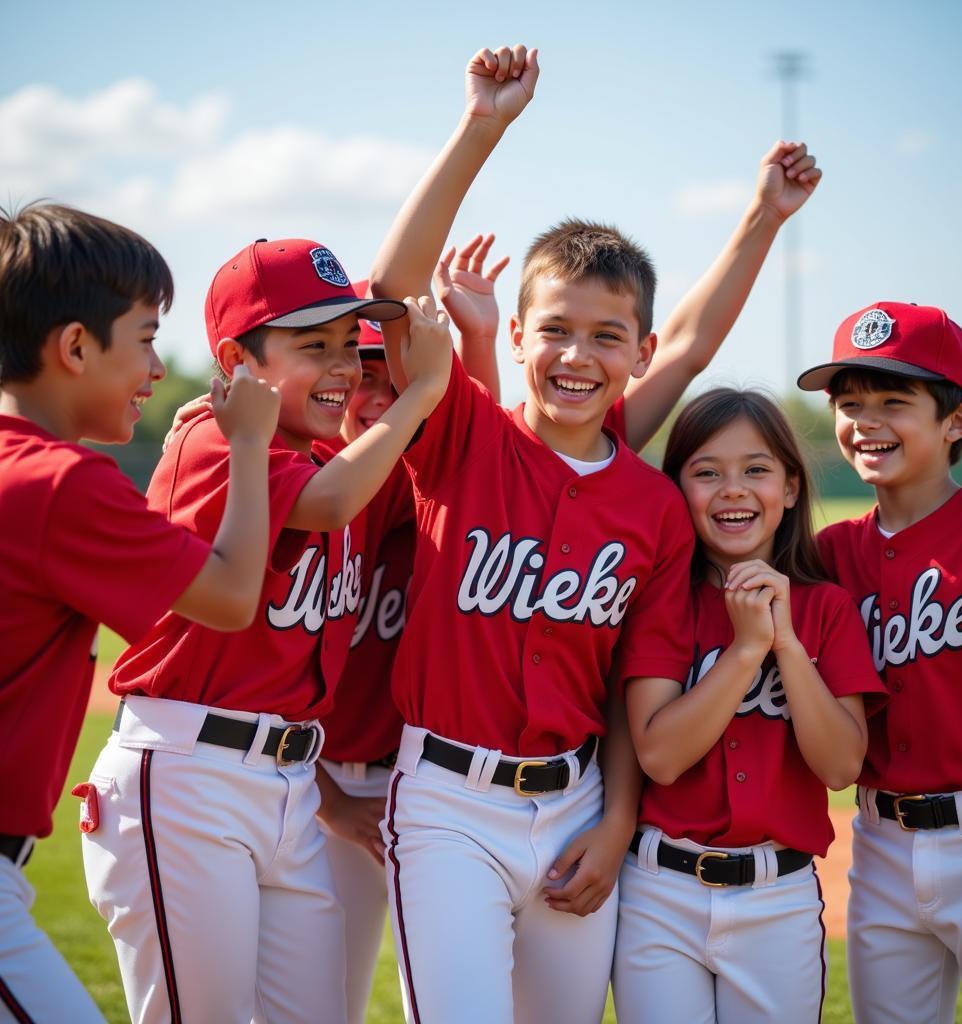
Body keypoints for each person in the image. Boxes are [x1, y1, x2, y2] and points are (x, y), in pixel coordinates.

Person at [369, 45, 697, 1023]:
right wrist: (482, 127)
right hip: (444, 807)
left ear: (640, 353)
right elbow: (389, 295)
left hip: (574, 809)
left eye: (606, 335)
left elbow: (640, 689)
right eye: (555, 327)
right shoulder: (464, 430)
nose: (576, 354)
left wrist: (617, 824)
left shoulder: (655, 508)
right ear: (515, 336)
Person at [80, 235, 452, 1024]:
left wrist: (481, 128)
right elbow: (324, 504)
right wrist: (420, 394)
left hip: (284, 787)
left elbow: (396, 281)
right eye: (314, 346)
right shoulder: (218, 436)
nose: (346, 365)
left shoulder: (332, 460)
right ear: (237, 360)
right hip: (189, 775)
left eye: (352, 345)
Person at [0, 203, 280, 1022]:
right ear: (76, 347)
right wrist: (252, 444)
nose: (158, 367)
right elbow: (230, 599)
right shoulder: (60, 483)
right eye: (147, 337)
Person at [613, 387, 884, 1022]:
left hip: (778, 898)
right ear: (677, 490)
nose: (733, 489)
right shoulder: (659, 604)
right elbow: (659, 756)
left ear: (790, 488)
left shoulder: (825, 608)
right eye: (707, 473)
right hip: (660, 892)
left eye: (756, 470)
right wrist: (743, 652)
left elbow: (842, 765)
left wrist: (785, 642)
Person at [799, 301, 962, 1022]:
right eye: (850, 402)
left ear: (956, 421)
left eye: (895, 401)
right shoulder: (829, 556)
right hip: (880, 846)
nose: (866, 421)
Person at [314, 250, 506, 1024]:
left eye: (396, 378)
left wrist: (478, 346)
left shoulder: (426, 490)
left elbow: (479, 454)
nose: (375, 396)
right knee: (317, 1004)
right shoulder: (309, 489)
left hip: (427, 787)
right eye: (361, 373)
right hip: (316, 786)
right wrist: (329, 799)